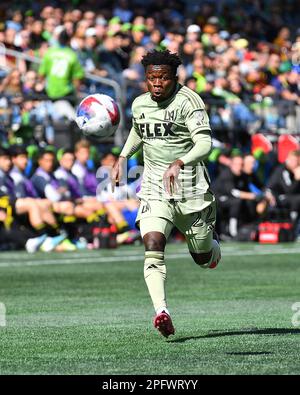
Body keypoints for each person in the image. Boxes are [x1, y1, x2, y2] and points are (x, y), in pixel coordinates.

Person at [111, 49, 221, 338]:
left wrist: (179, 162)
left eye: (163, 78)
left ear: (174, 78)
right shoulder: (139, 104)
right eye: (151, 78)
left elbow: (204, 144)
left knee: (203, 258)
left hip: (192, 190)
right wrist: (123, 156)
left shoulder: (190, 103)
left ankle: (212, 247)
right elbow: (139, 131)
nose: (157, 84)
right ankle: (162, 312)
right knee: (153, 245)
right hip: (154, 189)